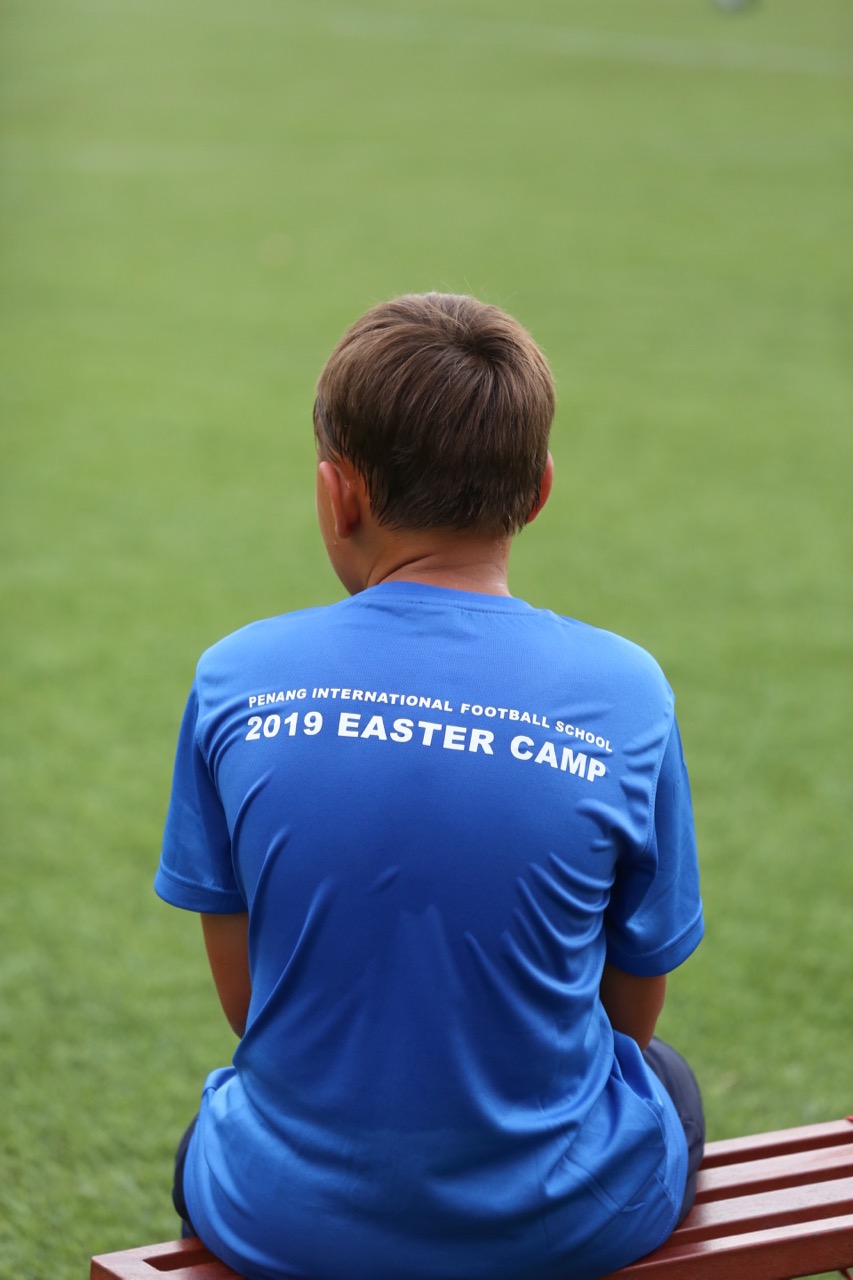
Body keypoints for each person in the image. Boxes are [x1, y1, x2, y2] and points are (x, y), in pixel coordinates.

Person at [156, 293, 704, 1280]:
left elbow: (250, 1005)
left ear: (338, 494)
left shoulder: (236, 675)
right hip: (563, 1220)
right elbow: (631, 1012)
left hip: (284, 1218)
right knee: (665, 1078)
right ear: (538, 491)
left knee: (225, 1121)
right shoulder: (628, 691)